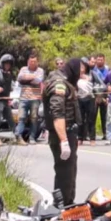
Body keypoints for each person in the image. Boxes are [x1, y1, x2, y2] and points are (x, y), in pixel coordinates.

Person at [43, 58, 82, 204]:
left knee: (69, 172)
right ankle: (62, 207)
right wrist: (64, 140)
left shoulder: (65, 82)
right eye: (81, 70)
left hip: (67, 133)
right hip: (62, 134)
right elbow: (57, 112)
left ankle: (68, 204)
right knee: (64, 174)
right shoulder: (59, 83)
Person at [16, 52, 44, 145]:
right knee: (21, 118)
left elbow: (38, 81)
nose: (32, 63)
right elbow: (19, 80)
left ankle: (32, 137)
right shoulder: (23, 69)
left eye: (34, 62)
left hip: (35, 98)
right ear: (28, 61)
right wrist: (31, 77)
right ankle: (18, 136)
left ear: (37, 62)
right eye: (31, 61)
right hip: (23, 97)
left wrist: (26, 79)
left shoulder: (40, 70)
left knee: (34, 118)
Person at [77, 58, 95, 145]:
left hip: (89, 98)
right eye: (80, 66)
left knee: (90, 119)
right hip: (79, 99)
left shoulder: (91, 74)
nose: (81, 67)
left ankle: (92, 138)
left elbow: (101, 84)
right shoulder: (75, 76)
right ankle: (80, 138)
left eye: (83, 66)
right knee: (80, 119)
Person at [92, 54, 110, 141]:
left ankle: (105, 134)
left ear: (104, 60)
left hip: (104, 96)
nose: (99, 61)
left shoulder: (108, 69)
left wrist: (108, 96)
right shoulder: (92, 70)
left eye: (101, 59)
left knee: (105, 116)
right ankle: (92, 134)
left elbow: (110, 83)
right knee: (93, 116)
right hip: (95, 96)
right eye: (98, 59)